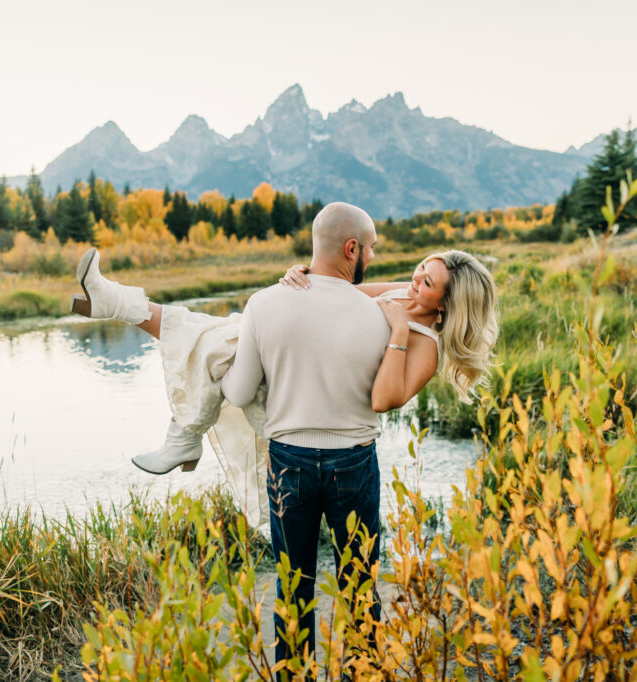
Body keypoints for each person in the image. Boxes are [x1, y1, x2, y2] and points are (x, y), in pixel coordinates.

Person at [70, 202, 498, 667]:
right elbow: (338, 288)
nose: (413, 280)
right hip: (302, 450)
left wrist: (396, 330)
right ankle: (124, 313)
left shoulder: (425, 342)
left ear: (446, 303)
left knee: (354, 583)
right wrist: (303, 276)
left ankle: (156, 370)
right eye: (419, 270)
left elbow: (384, 399)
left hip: (343, 461)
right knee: (295, 583)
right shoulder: (398, 295)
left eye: (427, 282)